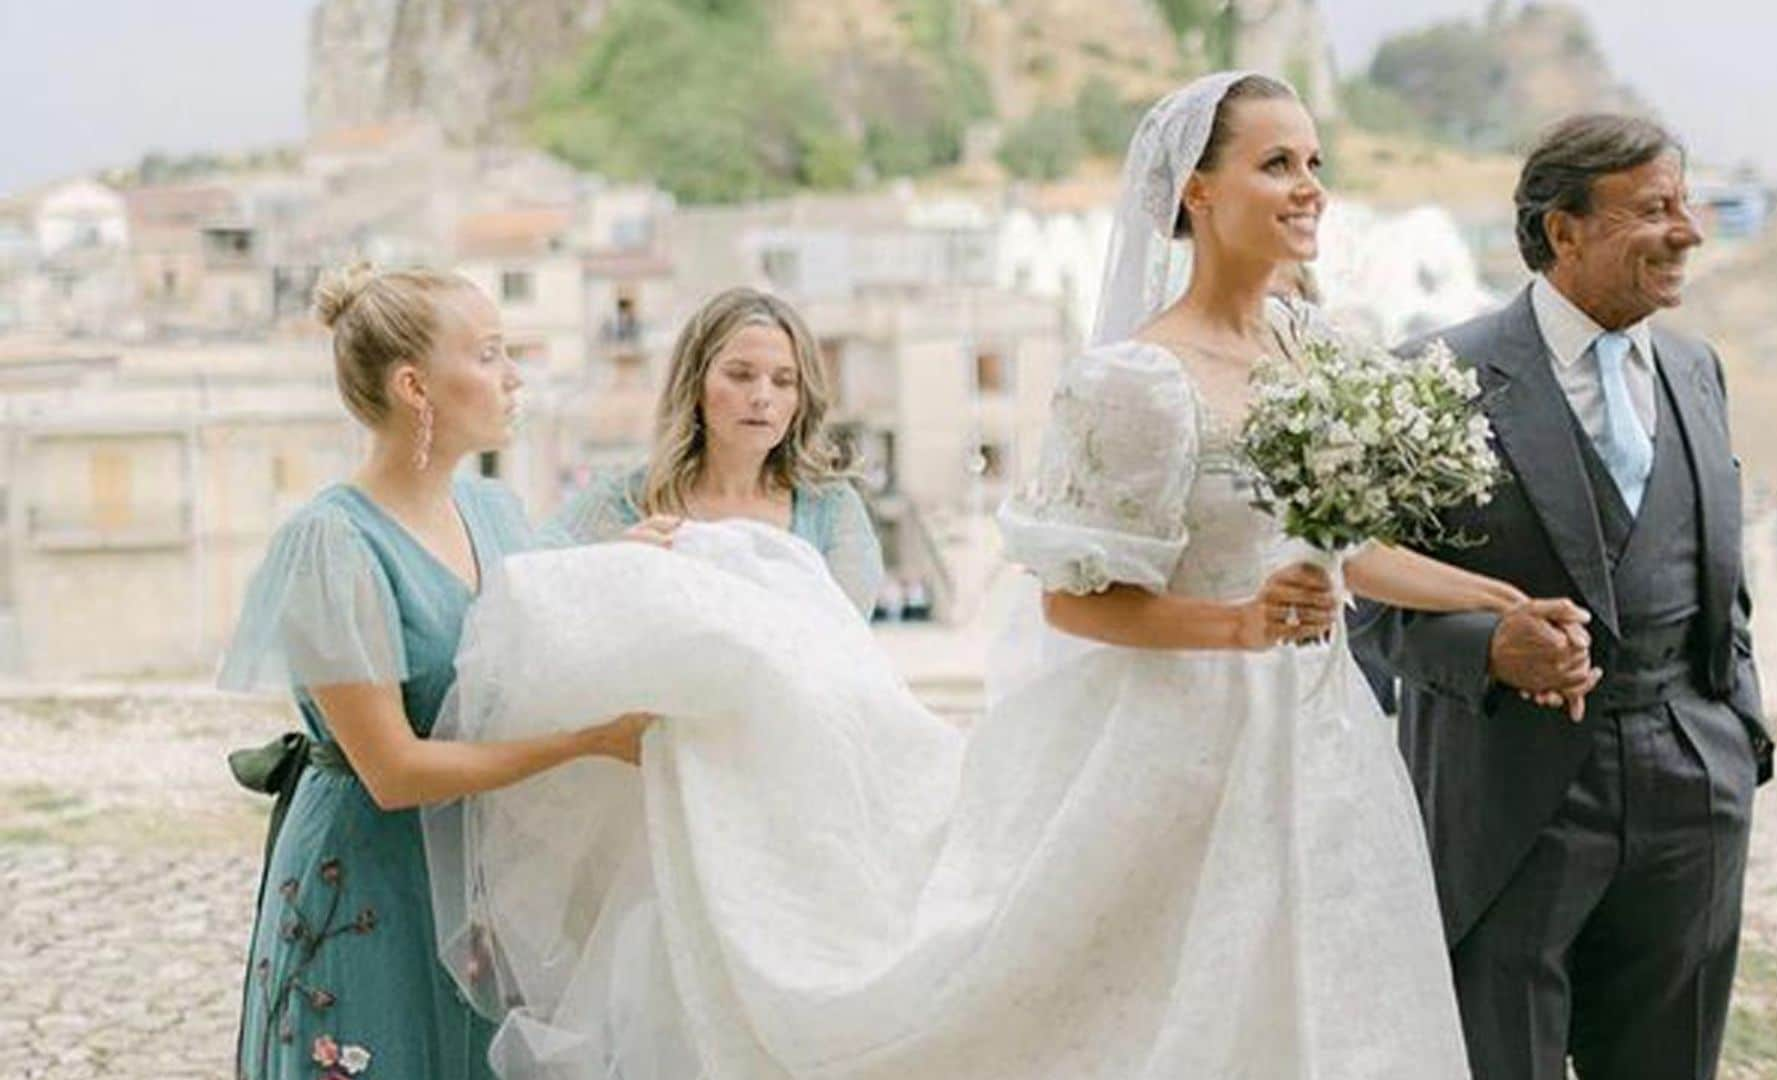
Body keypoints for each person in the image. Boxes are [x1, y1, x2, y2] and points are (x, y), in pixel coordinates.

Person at [429, 72, 1576, 1078]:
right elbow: (1077, 600)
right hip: (1178, 755)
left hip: (1323, 743)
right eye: (1278, 163)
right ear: (1198, 192)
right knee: (1166, 1017)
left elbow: (1341, 550)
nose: (1310, 185)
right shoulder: (1137, 380)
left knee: (1332, 1006)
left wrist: (1497, 600)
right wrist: (1239, 627)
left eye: (1316, 163)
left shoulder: (1315, 349)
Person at [1352, 114, 1775, 1080]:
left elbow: (1724, 579)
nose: (1690, 231)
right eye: (1654, 209)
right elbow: (1367, 599)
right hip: (1508, 798)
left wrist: (1737, 739)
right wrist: (1488, 650)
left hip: (1692, 791)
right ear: (1564, 229)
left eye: (1687, 202)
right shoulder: (1434, 377)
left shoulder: (1696, 370)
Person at [217, 263, 645, 1080]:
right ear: (416, 386)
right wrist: (586, 741)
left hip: (479, 878)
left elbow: (545, 637)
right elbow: (394, 770)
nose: (513, 376)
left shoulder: (494, 512)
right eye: (487, 355)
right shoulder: (333, 546)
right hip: (371, 875)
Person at [541, 286, 883, 616]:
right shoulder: (622, 503)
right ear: (696, 385)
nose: (762, 396)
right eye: (740, 375)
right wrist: (614, 568)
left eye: (783, 381)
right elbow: (533, 587)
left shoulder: (832, 510)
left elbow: (845, 645)